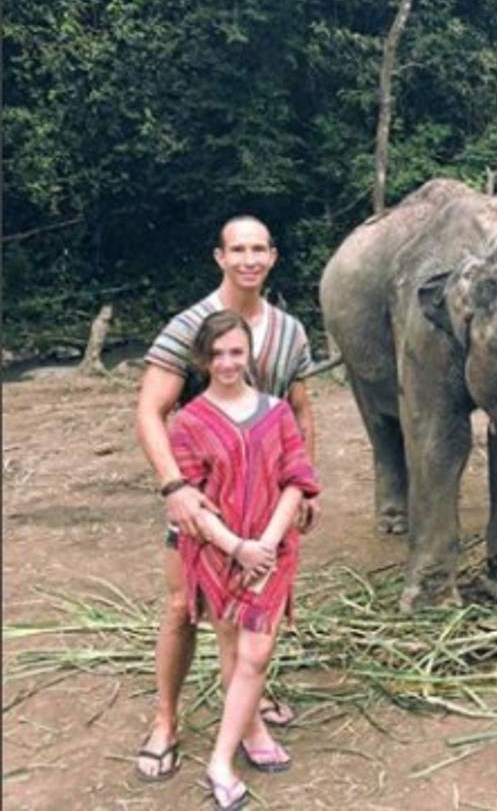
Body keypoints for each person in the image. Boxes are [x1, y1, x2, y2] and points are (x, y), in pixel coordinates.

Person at [133, 216, 318, 782]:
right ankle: (166, 719)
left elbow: (300, 409)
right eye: (238, 249)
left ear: (273, 256)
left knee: (249, 614)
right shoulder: (190, 326)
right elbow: (149, 411)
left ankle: (246, 707)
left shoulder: (289, 331)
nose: (248, 260)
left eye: (258, 249)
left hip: (266, 502)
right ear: (219, 256)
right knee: (184, 608)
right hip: (202, 500)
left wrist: (308, 486)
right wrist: (176, 489)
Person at [169, 311, 320, 810]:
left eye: (236, 352)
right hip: (217, 551)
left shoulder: (277, 412)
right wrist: (237, 547)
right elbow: (189, 497)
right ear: (203, 359)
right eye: (217, 355)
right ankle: (251, 731)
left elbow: (297, 478)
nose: (228, 362)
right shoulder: (188, 422)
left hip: (272, 551)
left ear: (249, 353)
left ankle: (219, 759)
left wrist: (267, 545)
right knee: (233, 649)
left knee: (255, 655)